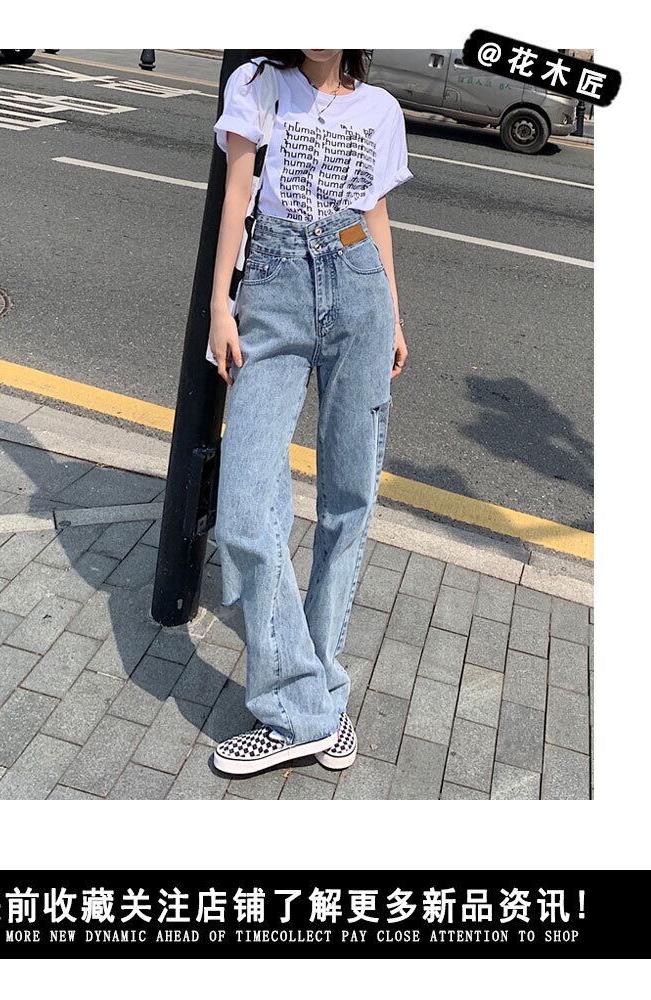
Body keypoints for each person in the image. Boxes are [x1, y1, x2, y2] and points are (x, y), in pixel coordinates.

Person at [208, 50, 412, 776]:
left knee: (347, 501)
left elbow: (375, 213)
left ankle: (316, 696)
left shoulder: (381, 109)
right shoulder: (259, 83)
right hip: (274, 286)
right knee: (243, 507)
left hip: (359, 281)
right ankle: (306, 705)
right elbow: (237, 196)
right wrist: (219, 304)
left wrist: (394, 315)